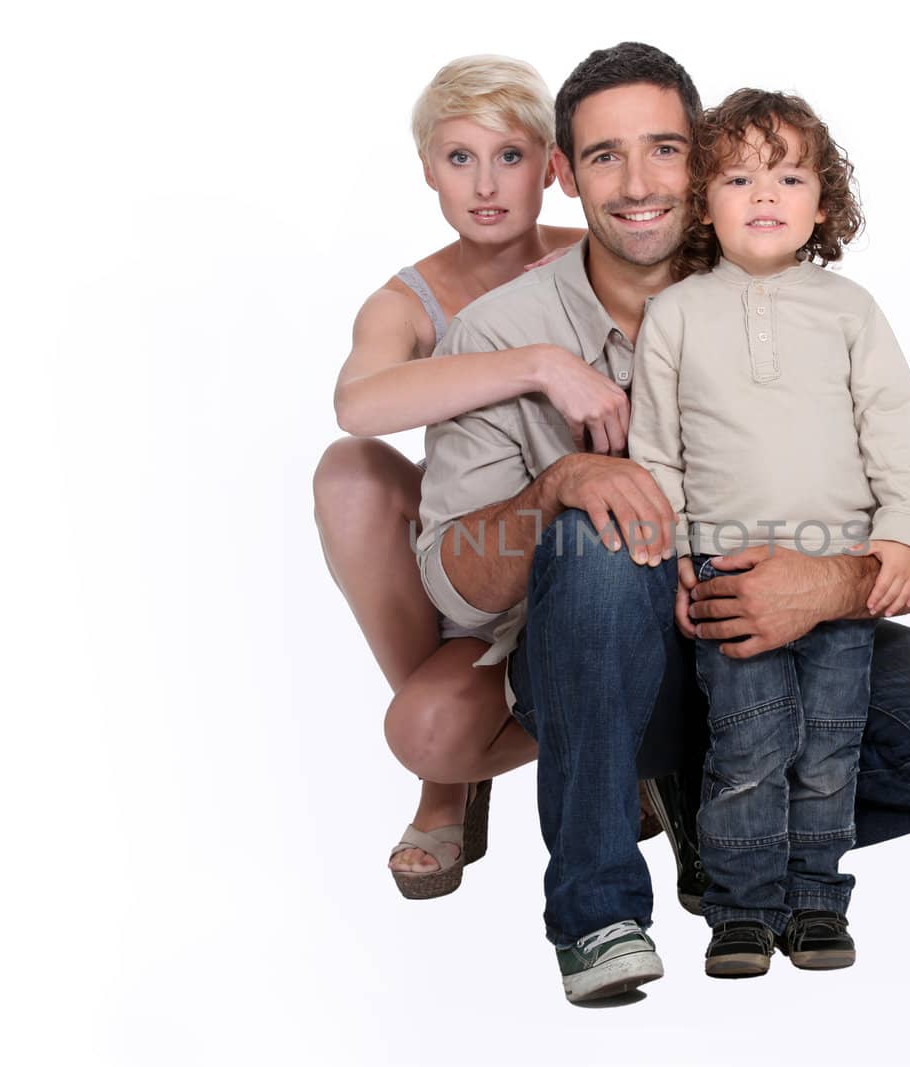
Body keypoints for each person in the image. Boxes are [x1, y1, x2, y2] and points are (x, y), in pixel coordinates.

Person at [415, 42, 910, 1003]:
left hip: (795, 637)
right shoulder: (500, 332)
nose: (637, 184)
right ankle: (600, 914)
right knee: (598, 522)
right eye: (603, 156)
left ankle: (727, 826)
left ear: (702, 162)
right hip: (601, 678)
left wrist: (825, 585)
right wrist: (559, 485)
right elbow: (451, 581)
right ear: (564, 173)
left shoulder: (802, 301)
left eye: (665, 150)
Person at [626, 87, 910, 978]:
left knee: (829, 747)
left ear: (822, 203)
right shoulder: (677, 316)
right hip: (726, 570)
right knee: (748, 746)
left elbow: (896, 429)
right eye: (737, 177)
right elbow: (658, 452)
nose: (765, 195)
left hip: (841, 567)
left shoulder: (850, 311)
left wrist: (906, 538)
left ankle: (814, 901)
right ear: (703, 203)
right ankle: (739, 909)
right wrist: (680, 560)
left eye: (789, 175)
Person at [311, 55, 619, 899]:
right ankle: (450, 778)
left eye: (510, 156)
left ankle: (629, 744)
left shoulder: (598, 256)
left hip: (592, 562)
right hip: (470, 574)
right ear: (426, 170)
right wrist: (540, 365)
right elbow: (359, 403)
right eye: (459, 158)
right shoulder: (405, 301)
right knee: (349, 474)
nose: (485, 183)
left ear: (552, 169)